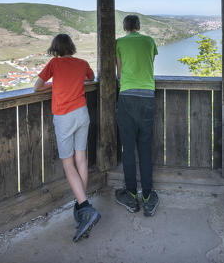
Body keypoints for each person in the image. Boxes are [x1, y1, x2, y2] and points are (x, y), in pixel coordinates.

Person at [34, 34, 99, 242]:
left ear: (55, 49)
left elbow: (37, 87)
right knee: (81, 159)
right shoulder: (82, 63)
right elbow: (91, 78)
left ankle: (86, 208)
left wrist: (52, 86)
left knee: (68, 163)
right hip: (82, 113)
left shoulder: (53, 64)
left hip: (64, 117)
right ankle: (81, 205)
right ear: (71, 47)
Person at [115, 15, 159, 216]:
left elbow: (119, 71)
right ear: (139, 27)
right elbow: (149, 63)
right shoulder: (149, 41)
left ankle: (131, 196)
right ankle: (148, 197)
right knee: (145, 146)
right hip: (147, 96)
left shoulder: (119, 43)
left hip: (126, 97)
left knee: (128, 148)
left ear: (124, 28)